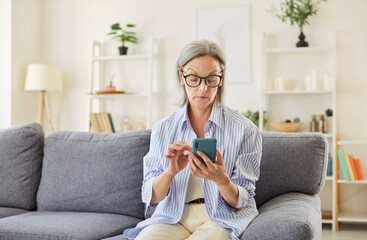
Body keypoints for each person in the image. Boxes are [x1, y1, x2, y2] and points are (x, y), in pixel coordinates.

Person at [123, 39, 262, 240]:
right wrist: (170, 172)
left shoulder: (245, 129)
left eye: (211, 78)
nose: (203, 88)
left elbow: (242, 200)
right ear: (181, 76)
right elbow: (151, 196)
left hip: (219, 217)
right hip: (172, 216)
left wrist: (222, 180)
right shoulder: (163, 128)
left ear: (221, 78)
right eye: (194, 78)